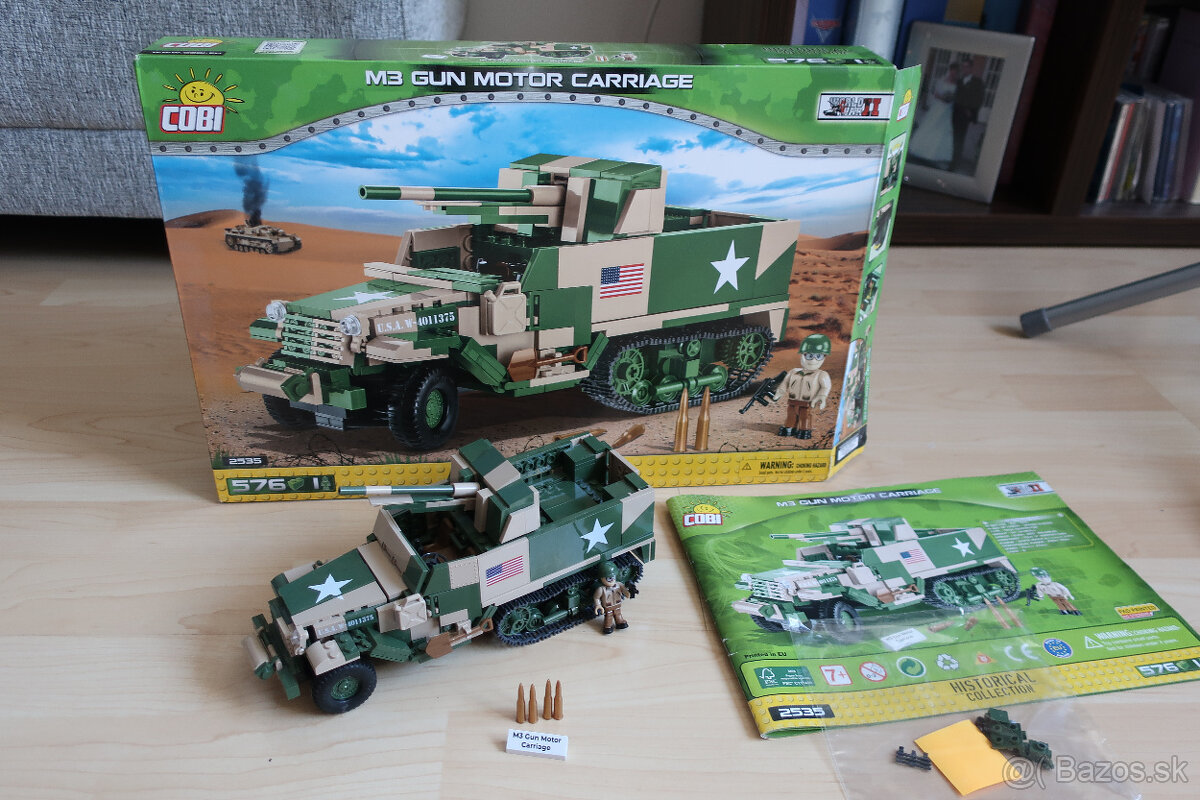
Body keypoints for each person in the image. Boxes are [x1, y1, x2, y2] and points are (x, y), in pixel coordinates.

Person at [771, 334, 832, 440]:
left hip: (807, 403)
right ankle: (789, 428)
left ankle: (804, 430)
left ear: (824, 357)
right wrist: (780, 392)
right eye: (809, 356)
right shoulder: (793, 372)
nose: (813, 360)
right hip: (792, 401)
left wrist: (822, 396)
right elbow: (785, 383)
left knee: (805, 417)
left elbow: (825, 387)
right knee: (791, 415)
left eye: (818, 356)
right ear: (802, 355)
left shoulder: (821, 374)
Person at [909, 61, 958, 168]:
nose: (953, 74)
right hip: (938, 107)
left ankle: (934, 154)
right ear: (950, 71)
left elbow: (954, 97)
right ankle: (921, 150)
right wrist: (942, 97)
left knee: (942, 130)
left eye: (955, 72)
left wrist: (949, 99)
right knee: (930, 125)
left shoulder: (957, 84)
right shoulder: (942, 80)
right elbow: (935, 93)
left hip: (947, 110)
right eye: (952, 71)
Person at [951, 56, 986, 174]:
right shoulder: (960, 81)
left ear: (971, 68)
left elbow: (979, 98)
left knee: (960, 137)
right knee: (953, 136)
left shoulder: (977, 82)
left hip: (965, 115)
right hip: (955, 113)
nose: (964, 69)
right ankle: (951, 158)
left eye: (967, 67)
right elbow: (956, 96)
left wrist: (971, 110)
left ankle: (955, 162)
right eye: (963, 67)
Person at [592, 559, 634, 634]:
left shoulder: (619, 585)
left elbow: (625, 592)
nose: (611, 580)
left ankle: (620, 622)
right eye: (608, 578)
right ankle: (608, 626)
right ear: (601, 578)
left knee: (618, 614)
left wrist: (629, 593)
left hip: (617, 605)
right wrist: (598, 605)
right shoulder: (601, 589)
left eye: (613, 577)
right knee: (609, 616)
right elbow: (596, 597)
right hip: (608, 606)